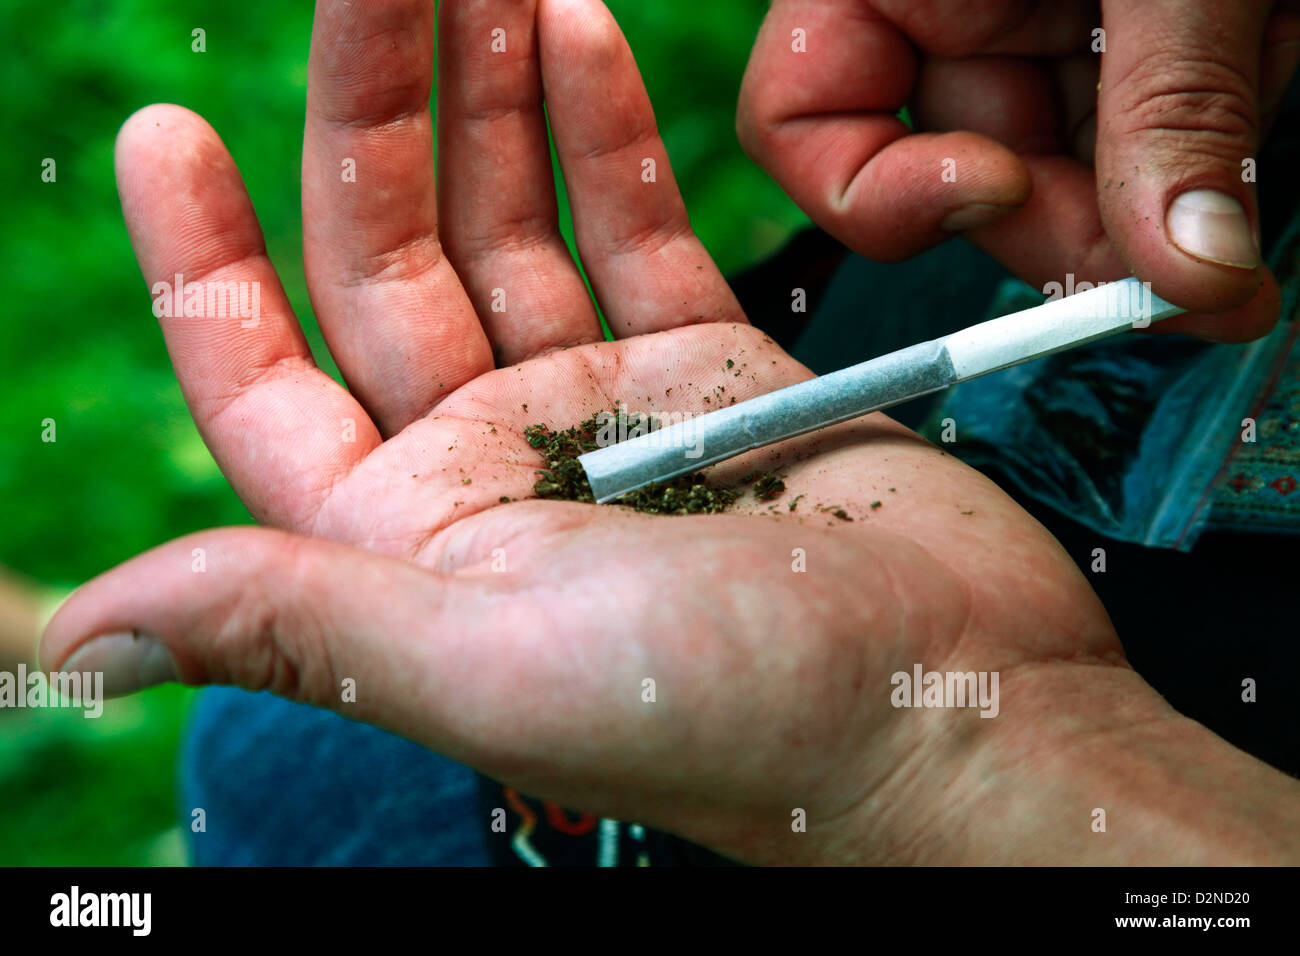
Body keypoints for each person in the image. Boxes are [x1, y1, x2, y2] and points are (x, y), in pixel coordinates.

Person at [40, 0, 1300, 865]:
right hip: (955, 388)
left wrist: (956, 760)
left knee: (287, 772)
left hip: (1063, 679)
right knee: (280, 744)